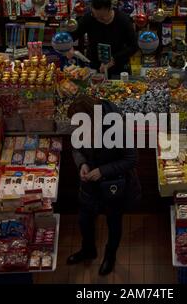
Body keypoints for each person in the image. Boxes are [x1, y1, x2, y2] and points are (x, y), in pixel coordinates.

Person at [66, 95, 141, 276]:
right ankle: (88, 250)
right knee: (84, 219)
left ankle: (110, 256)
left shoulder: (117, 126)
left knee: (114, 221)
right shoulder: (82, 124)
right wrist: (82, 163)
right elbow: (76, 147)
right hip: (90, 183)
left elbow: (131, 159)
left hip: (114, 184)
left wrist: (102, 171)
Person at [67, 0, 138, 78]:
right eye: (95, 16)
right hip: (94, 65)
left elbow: (133, 46)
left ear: (110, 9)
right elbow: (71, 35)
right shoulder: (89, 17)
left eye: (102, 17)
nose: (99, 20)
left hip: (119, 67)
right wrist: (68, 46)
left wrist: (113, 59)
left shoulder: (123, 20)